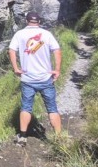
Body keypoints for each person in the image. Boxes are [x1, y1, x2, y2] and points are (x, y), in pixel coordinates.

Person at [8, 11, 62, 144]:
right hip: (45, 78)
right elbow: (57, 51)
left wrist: (16, 68)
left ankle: (23, 136)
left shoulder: (20, 34)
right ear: (39, 22)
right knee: (52, 108)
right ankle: (59, 137)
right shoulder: (47, 34)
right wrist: (57, 70)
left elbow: (11, 50)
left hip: (27, 79)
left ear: (27, 21)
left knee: (26, 107)